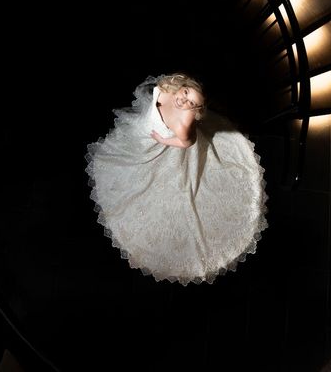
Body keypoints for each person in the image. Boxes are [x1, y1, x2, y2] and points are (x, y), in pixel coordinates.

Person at [85, 73, 267, 285]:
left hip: (167, 144)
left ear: (194, 110)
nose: (185, 100)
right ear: (184, 86)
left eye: (192, 104)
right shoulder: (169, 87)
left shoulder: (183, 123)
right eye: (187, 93)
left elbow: (187, 142)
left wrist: (163, 139)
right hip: (146, 131)